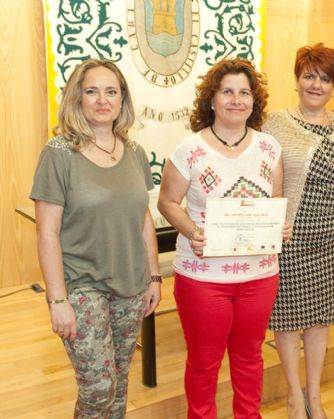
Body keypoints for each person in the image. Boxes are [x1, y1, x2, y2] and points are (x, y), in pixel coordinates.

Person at [157, 58, 290, 419]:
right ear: (212, 99)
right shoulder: (189, 150)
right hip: (203, 278)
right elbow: (167, 201)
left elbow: (274, 202)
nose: (236, 99)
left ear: (254, 101)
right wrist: (193, 232)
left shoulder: (269, 148)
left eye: (244, 92)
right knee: (204, 362)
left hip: (260, 275)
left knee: (250, 358)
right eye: (227, 91)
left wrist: (278, 226)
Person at [31, 59, 162, 418]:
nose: (102, 100)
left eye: (111, 91)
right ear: (77, 98)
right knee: (98, 388)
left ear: (122, 100)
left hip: (131, 286)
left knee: (117, 384)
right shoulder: (58, 154)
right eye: (92, 91)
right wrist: (57, 300)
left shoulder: (133, 152)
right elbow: (47, 232)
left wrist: (153, 276)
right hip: (81, 287)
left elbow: (143, 218)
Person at [263, 43, 334, 419]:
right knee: (287, 319)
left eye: (325, 78)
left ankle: (314, 395)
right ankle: (293, 397)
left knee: (320, 318)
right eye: (309, 76)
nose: (317, 84)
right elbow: (266, 178)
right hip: (292, 237)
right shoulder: (275, 122)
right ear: (297, 80)